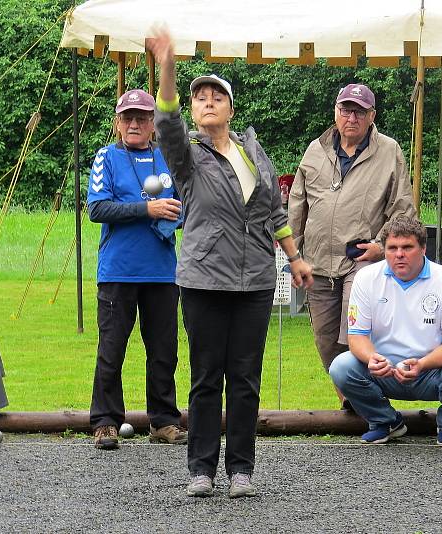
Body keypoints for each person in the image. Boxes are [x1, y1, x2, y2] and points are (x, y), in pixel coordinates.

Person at [146, 30, 313, 498]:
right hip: (203, 281)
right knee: (205, 379)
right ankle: (201, 468)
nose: (207, 101)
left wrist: (295, 258)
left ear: (231, 109)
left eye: (216, 95)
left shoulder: (251, 151)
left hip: (256, 281)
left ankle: (241, 469)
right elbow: (166, 121)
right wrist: (168, 65)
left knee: (244, 380)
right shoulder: (187, 157)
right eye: (200, 97)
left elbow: (274, 212)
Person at [288, 83, 416, 409]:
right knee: (325, 341)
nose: (351, 117)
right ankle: (354, 404)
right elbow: (297, 205)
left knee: (353, 335)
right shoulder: (315, 150)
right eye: (346, 109)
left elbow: (403, 208)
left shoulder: (389, 151)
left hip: (360, 262)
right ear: (336, 112)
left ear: (372, 116)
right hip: (316, 262)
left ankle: (365, 405)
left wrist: (381, 246)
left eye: (359, 111)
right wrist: (294, 256)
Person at [86, 88, 187, 451]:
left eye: (142, 118)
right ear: (118, 123)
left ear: (152, 125)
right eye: (128, 118)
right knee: (112, 349)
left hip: (162, 271)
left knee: (164, 350)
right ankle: (105, 421)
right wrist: (147, 210)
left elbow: (185, 208)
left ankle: (163, 420)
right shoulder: (106, 157)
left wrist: (171, 217)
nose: (134, 124)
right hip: (118, 271)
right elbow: (97, 208)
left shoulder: (168, 159)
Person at [330, 215, 442, 445]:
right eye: (392, 248)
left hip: (432, 371)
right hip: (384, 370)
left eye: (407, 247)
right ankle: (385, 421)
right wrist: (372, 359)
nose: (399, 254)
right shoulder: (365, 278)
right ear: (384, 250)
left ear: (423, 248)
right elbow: (356, 336)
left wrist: (421, 365)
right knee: (341, 367)